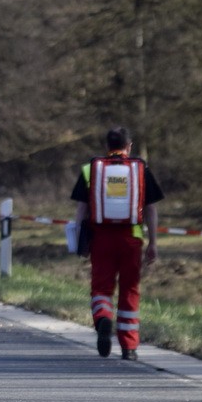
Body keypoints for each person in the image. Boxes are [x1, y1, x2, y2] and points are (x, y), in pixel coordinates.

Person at [71, 126, 164, 361]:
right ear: (129, 146)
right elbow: (151, 209)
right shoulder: (141, 170)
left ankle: (103, 318)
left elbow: (81, 210)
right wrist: (153, 242)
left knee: (101, 288)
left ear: (107, 146)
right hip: (131, 239)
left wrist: (78, 240)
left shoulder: (90, 169)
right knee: (130, 290)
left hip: (101, 238)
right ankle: (129, 347)